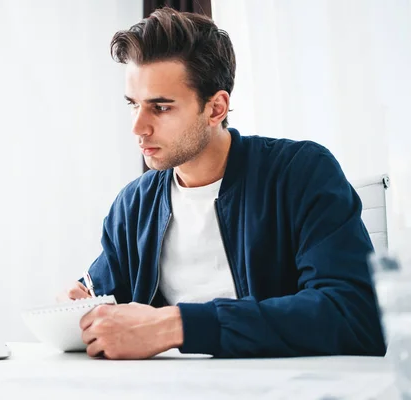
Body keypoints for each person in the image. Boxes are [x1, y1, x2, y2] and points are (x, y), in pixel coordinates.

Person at [59, 7, 386, 360]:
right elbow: (94, 296)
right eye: (134, 105)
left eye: (161, 107)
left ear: (216, 108)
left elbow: (354, 316)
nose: (138, 127)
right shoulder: (134, 205)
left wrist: (176, 326)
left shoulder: (302, 173)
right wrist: (75, 313)